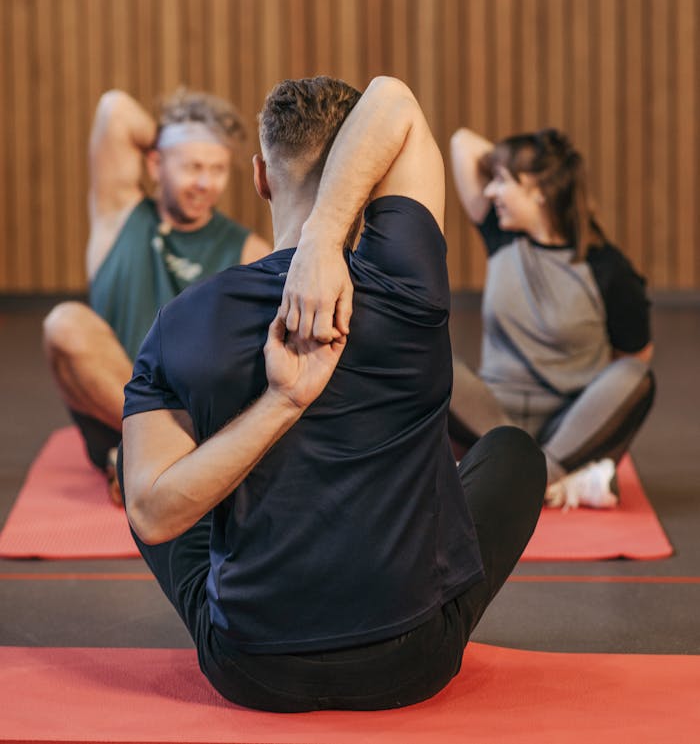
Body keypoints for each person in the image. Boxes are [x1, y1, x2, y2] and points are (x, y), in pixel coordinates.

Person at [120, 75, 546, 712]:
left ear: (261, 176)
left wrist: (277, 407)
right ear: (375, 181)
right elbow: (395, 99)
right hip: (411, 661)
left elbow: (152, 517)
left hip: (251, 670)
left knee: (143, 468)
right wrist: (323, 249)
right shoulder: (409, 283)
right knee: (512, 451)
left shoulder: (183, 319)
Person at [43, 88, 271, 501]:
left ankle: (142, 461)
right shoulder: (119, 214)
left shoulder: (248, 250)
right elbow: (114, 108)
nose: (205, 183)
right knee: (64, 322)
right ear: (155, 163)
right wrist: (179, 137)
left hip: (191, 420)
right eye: (192, 166)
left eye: (218, 169)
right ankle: (159, 458)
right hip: (113, 416)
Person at [449, 125, 655, 510]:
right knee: (429, 359)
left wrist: (588, 414)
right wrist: (532, 165)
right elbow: (462, 142)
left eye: (502, 182)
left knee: (637, 379)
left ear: (540, 190)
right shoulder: (502, 236)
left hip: (569, 423)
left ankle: (526, 475)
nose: (490, 191)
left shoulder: (608, 269)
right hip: (493, 416)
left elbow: (635, 358)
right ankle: (558, 482)